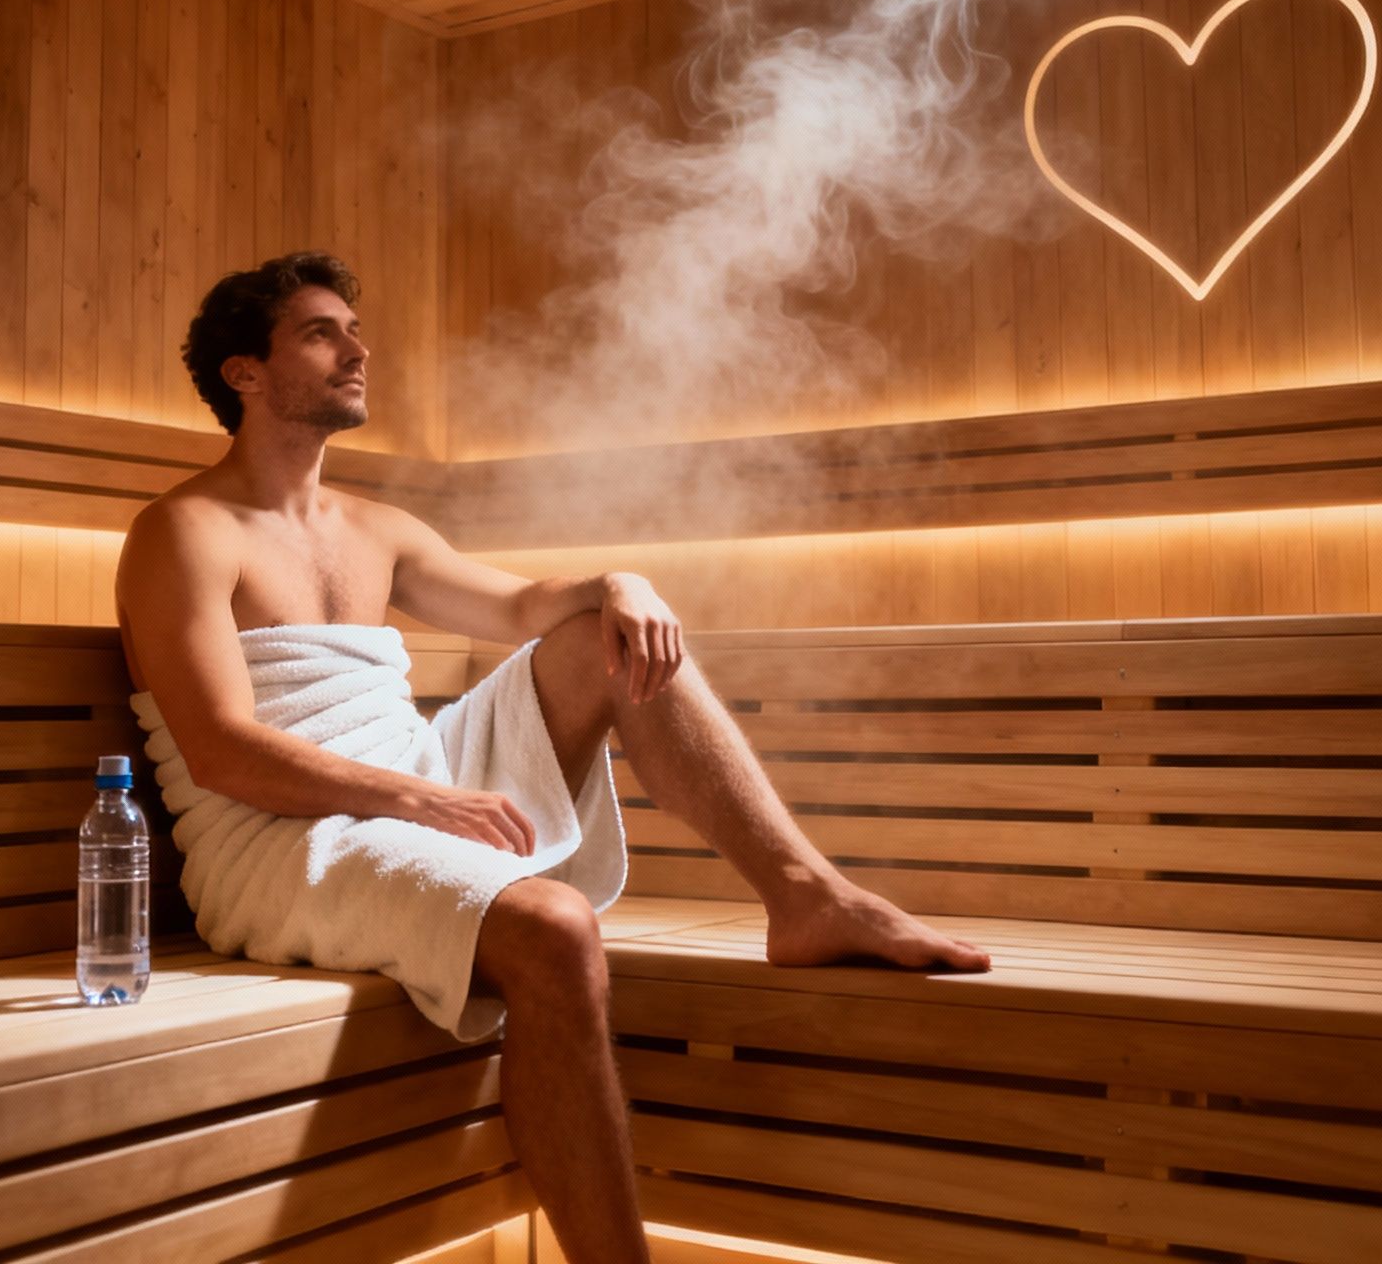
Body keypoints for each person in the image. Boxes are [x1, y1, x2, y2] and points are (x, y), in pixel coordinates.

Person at [115, 251, 991, 1262]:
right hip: (280, 841)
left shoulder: (376, 529)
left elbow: (525, 607)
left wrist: (618, 580)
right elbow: (222, 752)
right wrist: (416, 799)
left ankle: (805, 896)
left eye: (355, 330)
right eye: (323, 333)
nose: (358, 349)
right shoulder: (180, 532)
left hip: (405, 782)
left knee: (600, 641)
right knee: (554, 927)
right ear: (245, 373)